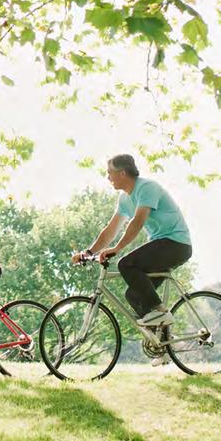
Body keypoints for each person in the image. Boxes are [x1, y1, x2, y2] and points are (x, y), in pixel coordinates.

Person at [73, 154, 192, 366]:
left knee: (126, 264)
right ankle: (164, 348)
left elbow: (137, 222)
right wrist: (88, 252)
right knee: (134, 294)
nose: (107, 177)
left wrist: (117, 249)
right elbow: (110, 230)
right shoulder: (124, 199)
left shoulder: (147, 188)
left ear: (122, 173)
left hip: (176, 244)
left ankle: (161, 312)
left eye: (109, 173)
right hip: (161, 244)